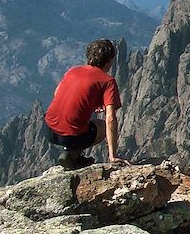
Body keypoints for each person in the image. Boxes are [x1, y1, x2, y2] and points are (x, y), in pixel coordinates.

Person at [44, 39, 130, 169]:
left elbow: (57, 93)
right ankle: (73, 155)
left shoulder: (73, 71)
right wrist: (112, 156)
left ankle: (71, 153)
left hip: (48, 129)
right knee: (101, 126)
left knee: (81, 124)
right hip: (71, 138)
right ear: (109, 62)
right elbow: (110, 118)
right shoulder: (107, 81)